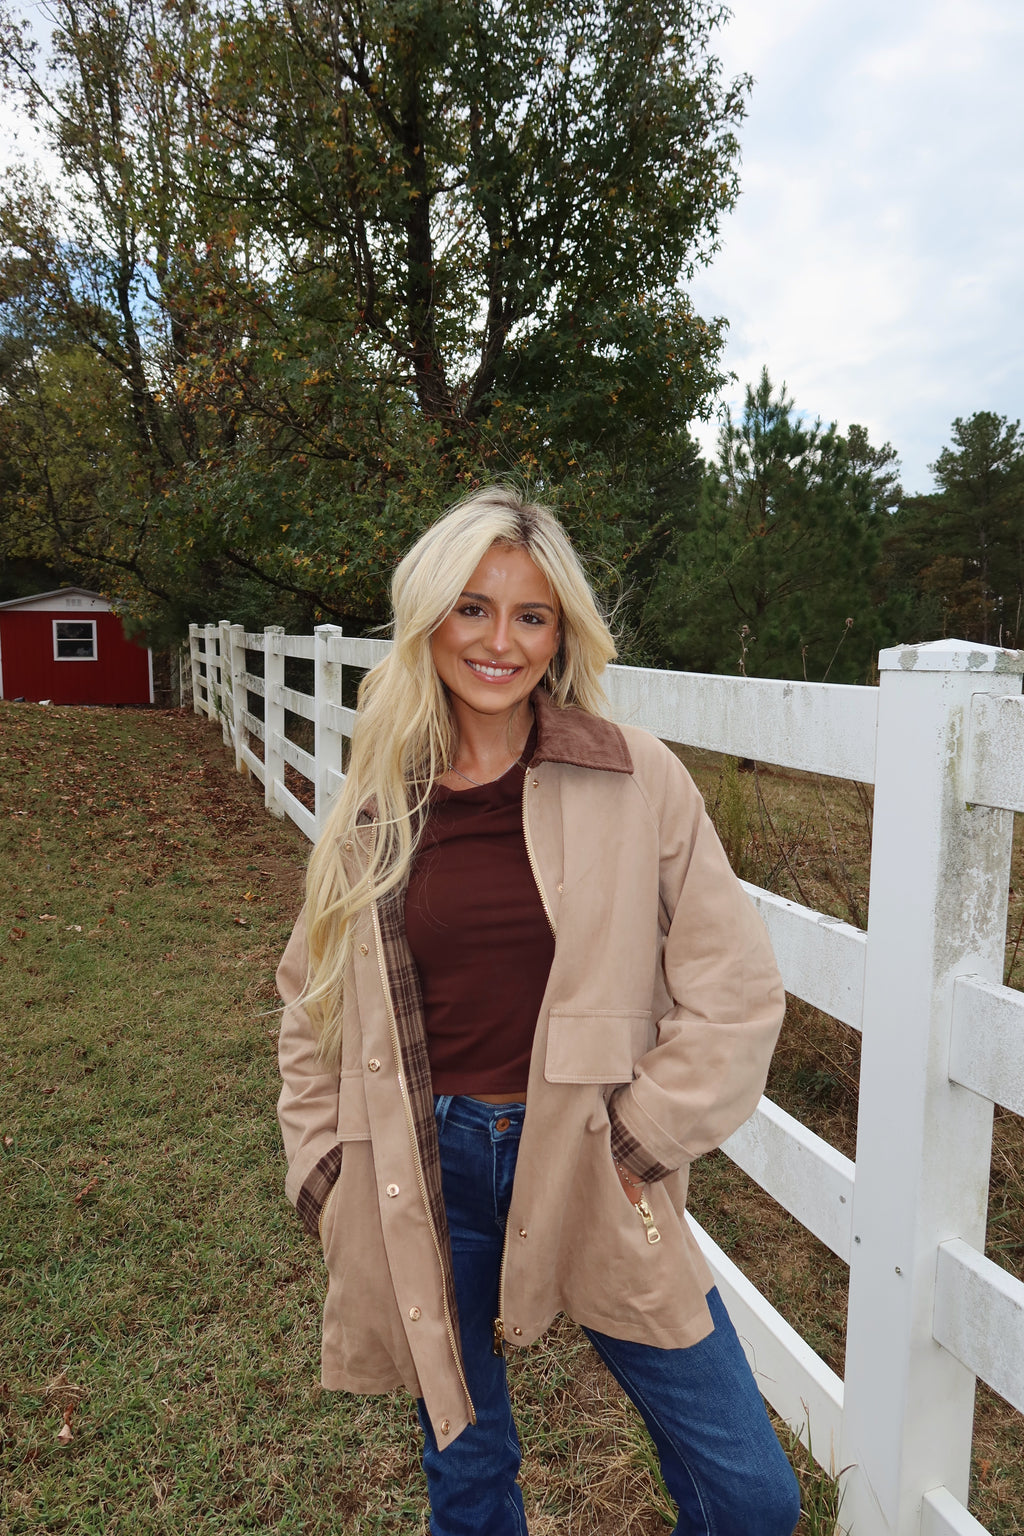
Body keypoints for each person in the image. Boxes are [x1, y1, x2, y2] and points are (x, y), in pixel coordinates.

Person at [276, 485, 801, 1536]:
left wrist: (638, 1141)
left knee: (751, 1497)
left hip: (590, 1154)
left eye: (531, 615)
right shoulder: (380, 798)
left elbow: (736, 989)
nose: (499, 643)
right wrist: (326, 1170)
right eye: (472, 608)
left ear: (561, 635)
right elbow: (311, 996)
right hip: (423, 1165)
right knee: (470, 1486)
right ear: (430, 618)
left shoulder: (633, 777)